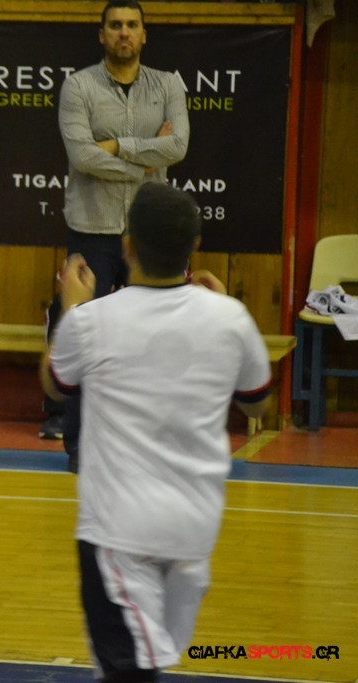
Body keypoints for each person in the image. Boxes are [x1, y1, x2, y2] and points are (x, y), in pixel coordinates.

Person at [40, 182, 271, 682]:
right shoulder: (230, 318)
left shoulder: (92, 321)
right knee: (144, 662)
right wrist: (226, 314)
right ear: (195, 246)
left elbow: (56, 384)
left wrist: (70, 306)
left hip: (119, 534)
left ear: (127, 246)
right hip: (193, 533)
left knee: (128, 670)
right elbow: (258, 401)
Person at [41, 0, 189, 467]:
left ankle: (154, 446)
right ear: (101, 34)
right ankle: (79, 445)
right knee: (87, 337)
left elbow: (178, 146)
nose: (124, 32)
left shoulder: (168, 85)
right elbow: (82, 156)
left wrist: (118, 146)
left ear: (144, 34)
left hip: (147, 231)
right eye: (115, 25)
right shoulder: (78, 86)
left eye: (132, 25)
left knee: (156, 339)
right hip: (92, 229)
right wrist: (145, 162)